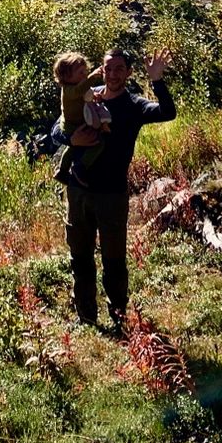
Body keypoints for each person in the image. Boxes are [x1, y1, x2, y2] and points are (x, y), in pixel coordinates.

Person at [51, 45, 175, 331]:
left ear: (129, 73)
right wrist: (72, 141)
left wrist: (157, 79)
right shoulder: (88, 96)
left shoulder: (134, 106)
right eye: (108, 68)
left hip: (112, 194)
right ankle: (86, 318)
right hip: (78, 190)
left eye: (120, 69)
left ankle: (119, 318)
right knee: (79, 256)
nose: (113, 74)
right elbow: (58, 129)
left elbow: (168, 112)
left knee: (114, 261)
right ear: (102, 70)